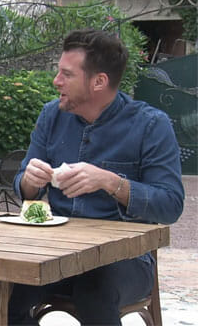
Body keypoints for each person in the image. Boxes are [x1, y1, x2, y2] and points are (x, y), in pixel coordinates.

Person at [10, 29, 184, 325]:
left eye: (66, 74)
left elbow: (170, 204)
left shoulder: (151, 125)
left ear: (99, 81)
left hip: (125, 261)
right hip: (57, 254)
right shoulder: (51, 115)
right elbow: (24, 186)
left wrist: (111, 182)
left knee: (94, 288)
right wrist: (30, 180)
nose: (56, 81)